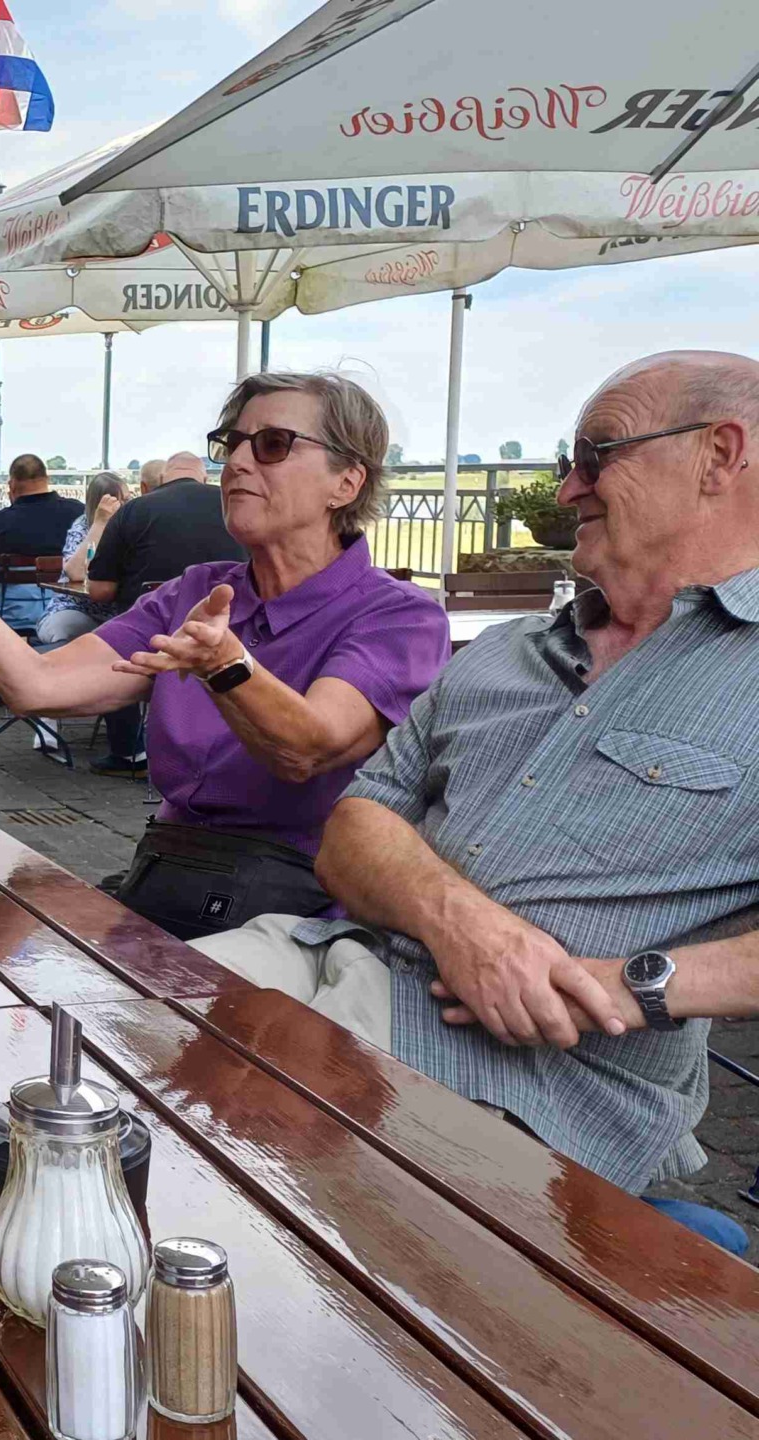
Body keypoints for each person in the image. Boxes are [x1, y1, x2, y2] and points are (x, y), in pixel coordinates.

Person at [188, 350, 759, 1200]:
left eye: (596, 455)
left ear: (720, 455)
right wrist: (463, 925)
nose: (567, 489)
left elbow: (317, 759)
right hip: (331, 960)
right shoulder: (506, 651)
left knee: (174, 1136)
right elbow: (350, 832)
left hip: (528, 1080)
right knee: (89, 1016)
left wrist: (640, 985)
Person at [0, 372, 449, 941]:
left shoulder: (397, 615)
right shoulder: (195, 591)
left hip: (297, 918)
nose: (236, 463)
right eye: (231, 444)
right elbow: (35, 685)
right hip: (170, 877)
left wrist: (227, 666)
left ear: (347, 481)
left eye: (273, 445)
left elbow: (306, 750)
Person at [83, 450, 248, 775]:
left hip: (149, 641)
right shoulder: (235, 506)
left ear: (159, 480)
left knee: (115, 633)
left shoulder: (133, 510)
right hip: (232, 635)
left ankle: (128, 753)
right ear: (204, 477)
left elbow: (99, 589)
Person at [0, 453, 83, 632]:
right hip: (63, 619)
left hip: (3, 622)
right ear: (47, 480)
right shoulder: (79, 514)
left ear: (11, 485)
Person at [37, 469, 130, 645]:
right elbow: (76, 573)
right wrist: (100, 522)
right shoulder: (83, 526)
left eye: (127, 499)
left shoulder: (130, 527)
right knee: (71, 629)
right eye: (118, 501)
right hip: (77, 609)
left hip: (118, 613)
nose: (124, 506)